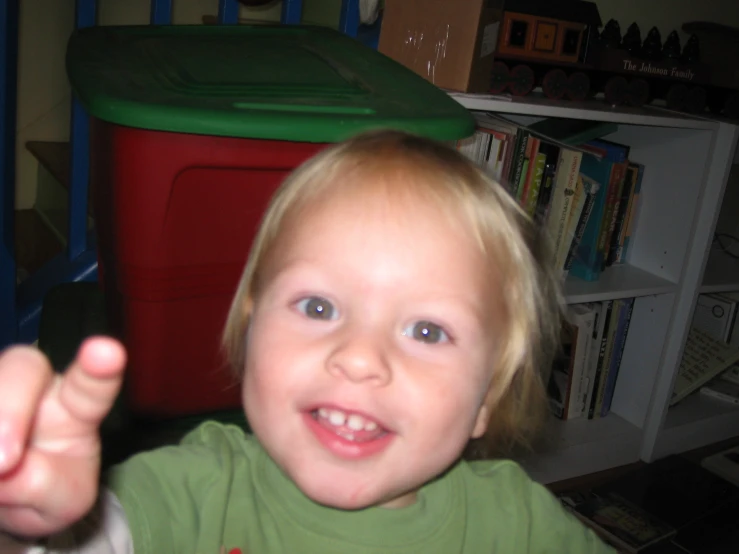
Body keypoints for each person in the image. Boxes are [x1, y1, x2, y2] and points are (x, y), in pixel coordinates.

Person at [0, 130, 616, 553]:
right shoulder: (189, 492)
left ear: (487, 397)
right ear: (249, 328)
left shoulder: (516, 524)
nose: (358, 357)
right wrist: (26, 522)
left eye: (427, 330)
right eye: (318, 306)